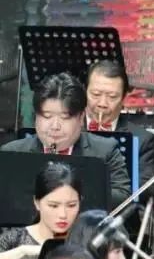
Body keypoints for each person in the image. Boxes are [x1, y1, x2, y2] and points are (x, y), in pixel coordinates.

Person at [1, 72, 130, 208]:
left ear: (81, 118)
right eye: (47, 116)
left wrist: (72, 193)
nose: (55, 126)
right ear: (36, 117)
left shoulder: (105, 151)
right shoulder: (11, 152)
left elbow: (123, 197)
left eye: (65, 117)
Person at [0, 162, 81, 259]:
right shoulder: (13, 238)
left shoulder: (83, 238)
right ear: (37, 203)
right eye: (53, 205)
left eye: (71, 205)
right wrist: (23, 251)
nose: (63, 214)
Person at [84, 59, 154, 198]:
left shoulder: (142, 139)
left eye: (112, 97)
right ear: (85, 92)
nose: (102, 103)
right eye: (96, 94)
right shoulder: (67, 129)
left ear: (124, 98)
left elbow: (148, 187)